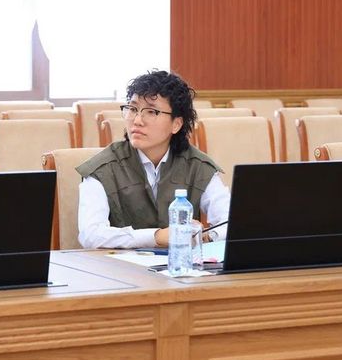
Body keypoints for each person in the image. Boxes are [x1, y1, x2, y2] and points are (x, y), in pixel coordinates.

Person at [76, 70, 230, 248]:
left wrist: (207, 237)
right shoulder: (102, 168)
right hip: (120, 265)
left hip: (182, 264)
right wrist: (156, 237)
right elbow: (91, 235)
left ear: (176, 124)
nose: (137, 120)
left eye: (151, 111)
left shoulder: (197, 165)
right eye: (133, 109)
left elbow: (230, 221)